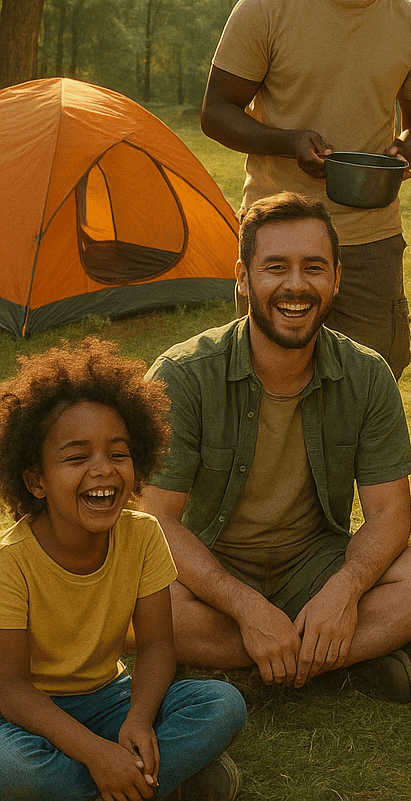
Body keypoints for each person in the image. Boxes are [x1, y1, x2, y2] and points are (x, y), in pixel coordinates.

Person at [141, 192, 411, 703]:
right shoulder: (182, 376)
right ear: (243, 277)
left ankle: (263, 660)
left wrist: (344, 591)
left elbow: (388, 515)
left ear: (336, 276)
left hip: (315, 566)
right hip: (212, 571)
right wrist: (245, 606)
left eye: (313, 267)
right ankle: (332, 656)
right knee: (132, 603)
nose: (296, 285)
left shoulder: (367, 374)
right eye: (275, 267)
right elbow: (158, 523)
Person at [201, 0, 411, 378]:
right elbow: (216, 112)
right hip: (278, 233)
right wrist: (289, 141)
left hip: (371, 237)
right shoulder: (267, 6)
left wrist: (404, 151)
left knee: (373, 375)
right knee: (266, 378)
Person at [0, 338, 247, 801]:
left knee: (222, 704)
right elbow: (11, 689)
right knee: (15, 767)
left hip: (108, 699)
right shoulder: (9, 562)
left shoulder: (144, 533)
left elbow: (156, 645)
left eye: (117, 453)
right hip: (26, 714)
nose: (103, 470)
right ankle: (156, 782)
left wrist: (137, 720)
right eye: (76, 458)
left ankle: (121, 781)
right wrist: (95, 753)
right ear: (35, 480)